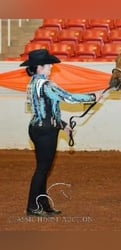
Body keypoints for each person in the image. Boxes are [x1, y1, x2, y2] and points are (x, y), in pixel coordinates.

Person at [20, 49, 102, 217]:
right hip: (46, 131)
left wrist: (62, 125)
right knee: (43, 169)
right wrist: (93, 96)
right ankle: (33, 206)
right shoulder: (47, 85)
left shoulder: (33, 83)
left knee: (43, 168)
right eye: (48, 64)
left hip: (38, 128)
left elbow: (48, 109)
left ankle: (42, 203)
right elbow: (69, 98)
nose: (51, 66)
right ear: (39, 67)